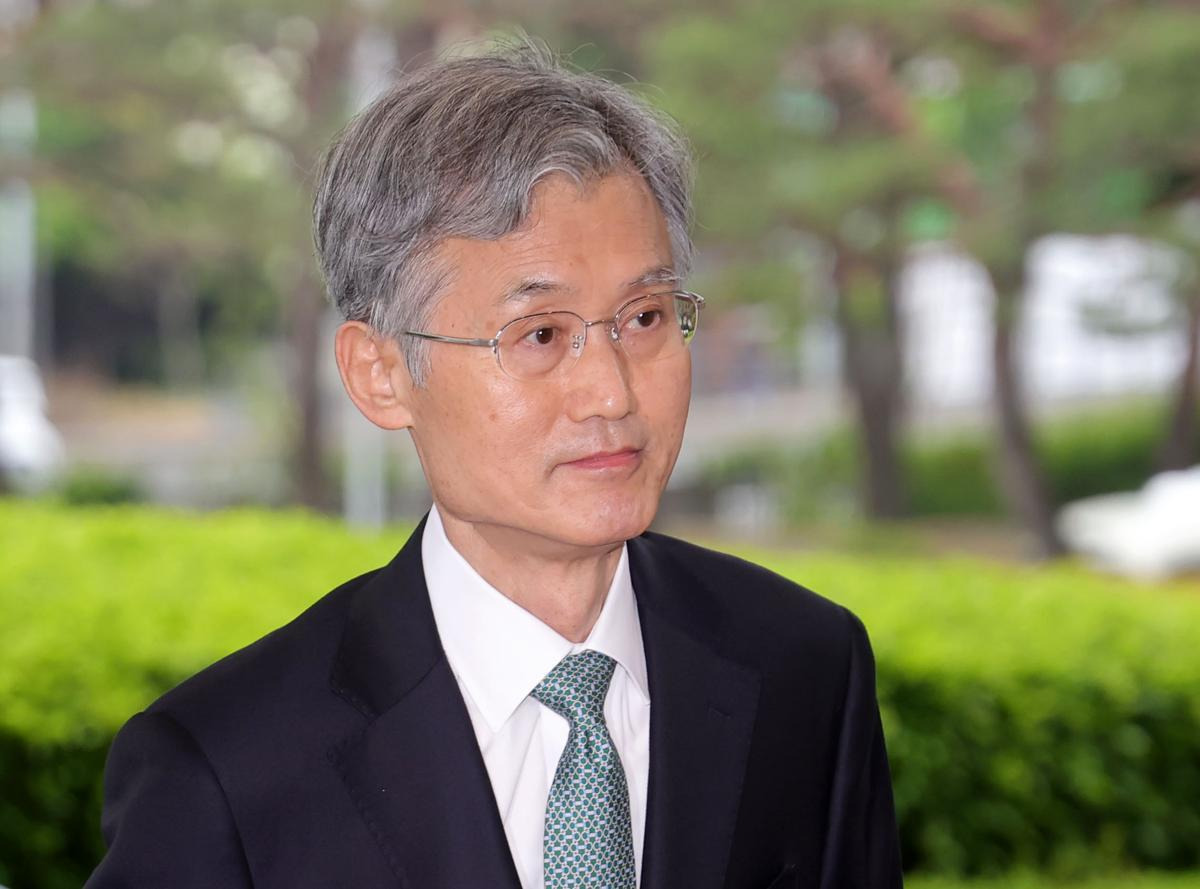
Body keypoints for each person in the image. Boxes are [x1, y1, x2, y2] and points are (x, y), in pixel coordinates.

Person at [86, 42, 903, 889]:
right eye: (541, 334)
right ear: (381, 373)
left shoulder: (806, 667)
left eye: (645, 317)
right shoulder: (225, 773)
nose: (611, 391)